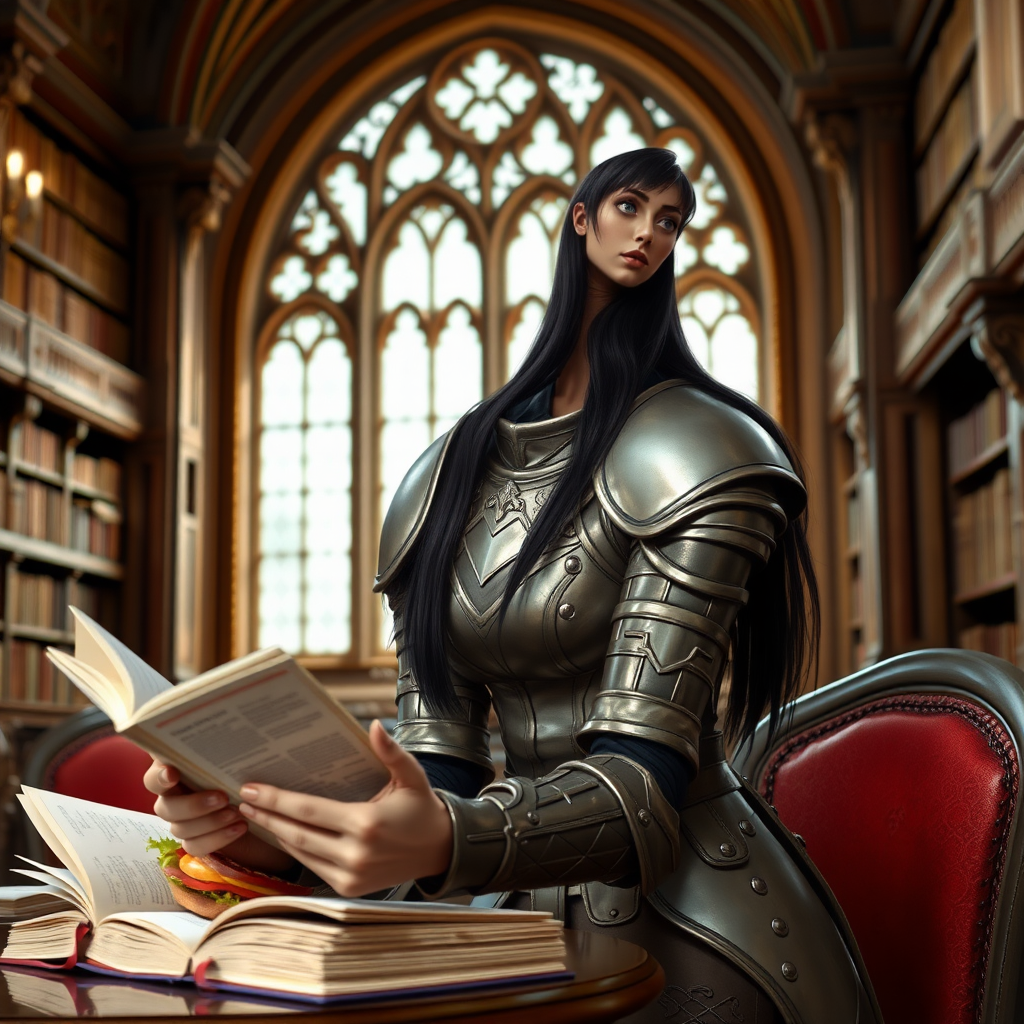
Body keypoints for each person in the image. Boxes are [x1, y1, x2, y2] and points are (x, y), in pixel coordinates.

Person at [146, 149, 881, 1023]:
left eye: (670, 220)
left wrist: (452, 836)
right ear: (582, 217)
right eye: (630, 207)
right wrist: (274, 826)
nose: (648, 233)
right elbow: (439, 764)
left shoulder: (698, 449)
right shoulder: (446, 472)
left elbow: (643, 783)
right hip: (491, 905)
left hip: (690, 923)